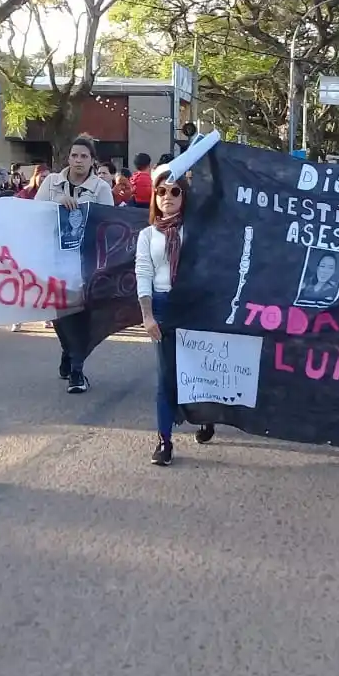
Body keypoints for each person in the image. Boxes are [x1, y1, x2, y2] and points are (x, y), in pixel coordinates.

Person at [136, 167, 214, 466]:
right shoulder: (147, 235)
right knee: (166, 376)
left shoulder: (196, 231)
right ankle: (164, 440)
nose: (167, 196)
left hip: (194, 305)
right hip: (162, 305)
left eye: (174, 191)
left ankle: (206, 415)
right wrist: (147, 316)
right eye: (161, 191)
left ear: (184, 195)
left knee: (199, 368)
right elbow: (143, 274)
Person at [36, 135, 114, 392]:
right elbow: (34, 214)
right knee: (60, 315)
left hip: (86, 262)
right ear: (68, 158)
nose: (78, 160)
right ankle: (68, 351)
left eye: (84, 156)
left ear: (92, 161)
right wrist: (57, 205)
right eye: (74, 155)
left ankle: (77, 370)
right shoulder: (51, 182)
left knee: (82, 315)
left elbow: (108, 224)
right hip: (55, 260)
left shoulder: (101, 188)